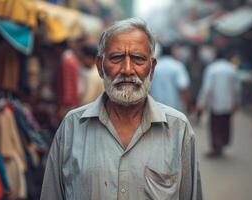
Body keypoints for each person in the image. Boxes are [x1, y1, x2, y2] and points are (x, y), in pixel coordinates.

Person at [41, 18, 202, 200]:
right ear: (100, 67)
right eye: (116, 58)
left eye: (138, 59)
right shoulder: (72, 126)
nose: (127, 69)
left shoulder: (178, 129)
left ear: (152, 68)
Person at [196, 49, 240, 158]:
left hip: (215, 103)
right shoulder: (231, 69)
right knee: (225, 124)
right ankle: (222, 144)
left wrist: (201, 103)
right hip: (228, 103)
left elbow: (207, 88)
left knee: (215, 126)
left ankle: (217, 147)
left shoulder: (211, 69)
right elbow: (237, 88)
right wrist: (236, 102)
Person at [150, 43, 191, 112]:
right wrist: (188, 105)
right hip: (174, 108)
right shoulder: (177, 66)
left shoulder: (154, 66)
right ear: (171, 52)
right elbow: (183, 87)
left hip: (155, 107)